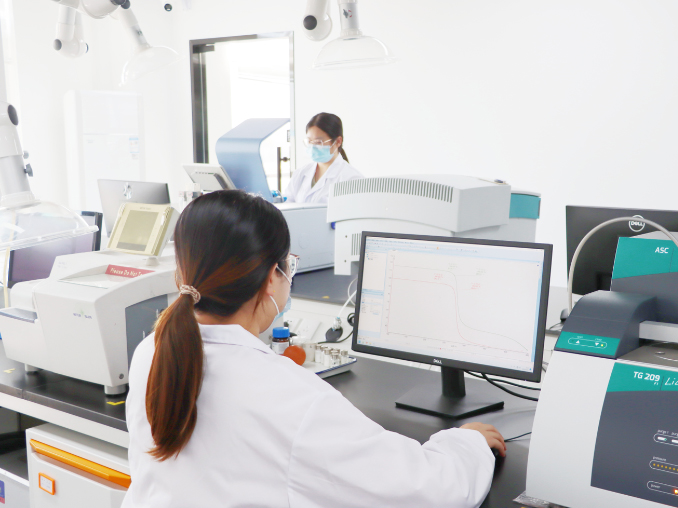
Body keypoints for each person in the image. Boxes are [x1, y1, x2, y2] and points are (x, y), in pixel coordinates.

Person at [123, 190, 505, 508]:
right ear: (271, 278)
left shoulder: (152, 351)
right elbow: (429, 491)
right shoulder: (289, 398)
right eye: (288, 266)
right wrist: (466, 442)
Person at [284, 112, 363, 203]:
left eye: (318, 142)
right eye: (309, 141)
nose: (312, 147)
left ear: (338, 141)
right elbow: (288, 205)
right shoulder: (300, 174)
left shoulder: (352, 179)